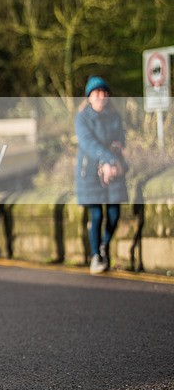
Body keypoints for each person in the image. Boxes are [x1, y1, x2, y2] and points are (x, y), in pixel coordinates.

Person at [75, 75, 128, 274]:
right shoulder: (82, 118)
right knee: (96, 214)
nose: (100, 96)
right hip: (89, 172)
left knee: (114, 213)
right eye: (96, 93)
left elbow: (120, 139)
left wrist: (117, 154)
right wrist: (107, 159)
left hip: (113, 172)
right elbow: (87, 143)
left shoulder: (114, 116)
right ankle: (96, 255)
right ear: (89, 97)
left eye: (103, 93)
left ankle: (105, 245)